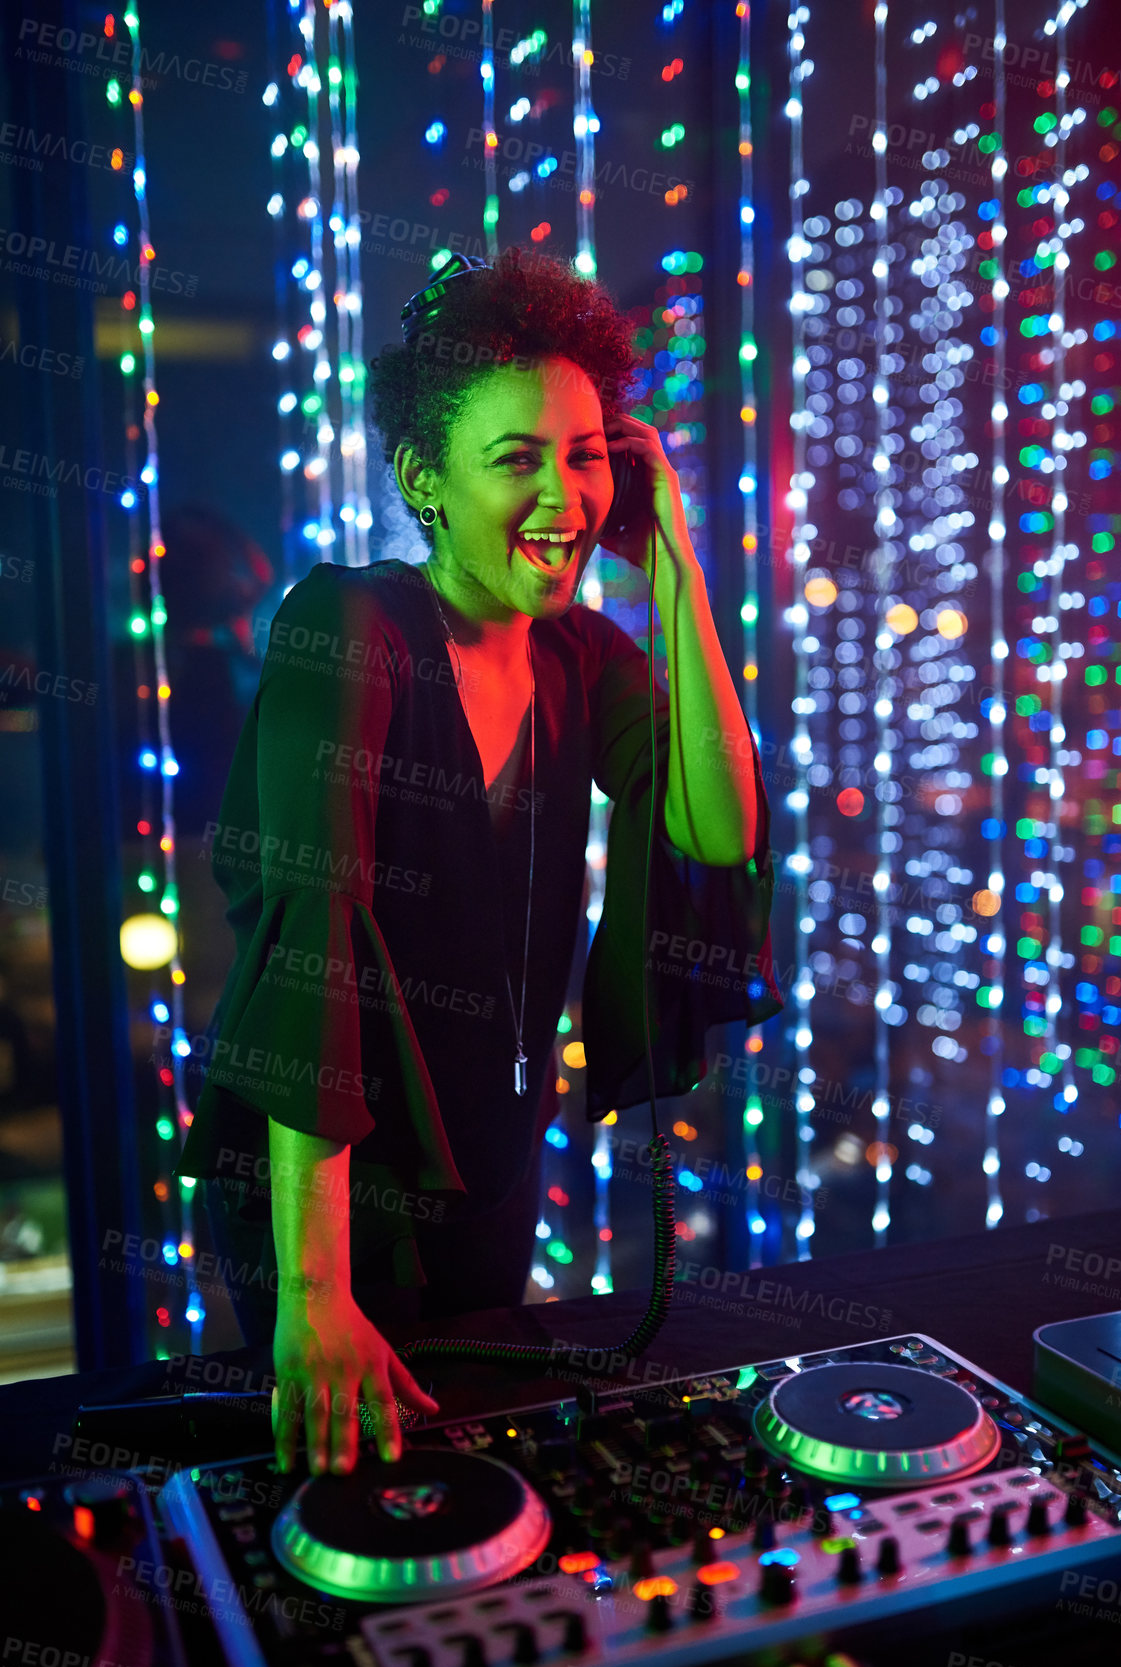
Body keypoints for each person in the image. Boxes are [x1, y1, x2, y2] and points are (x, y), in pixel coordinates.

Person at [176, 247, 781, 1479]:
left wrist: (674, 564)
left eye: (585, 454)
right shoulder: (350, 627)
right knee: (345, 1509)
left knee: (475, 1489)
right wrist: (316, 1291)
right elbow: (314, 932)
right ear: (424, 481)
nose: (565, 496)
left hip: (492, 1169)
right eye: (517, 458)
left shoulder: (584, 657)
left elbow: (721, 828)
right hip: (323, 1200)